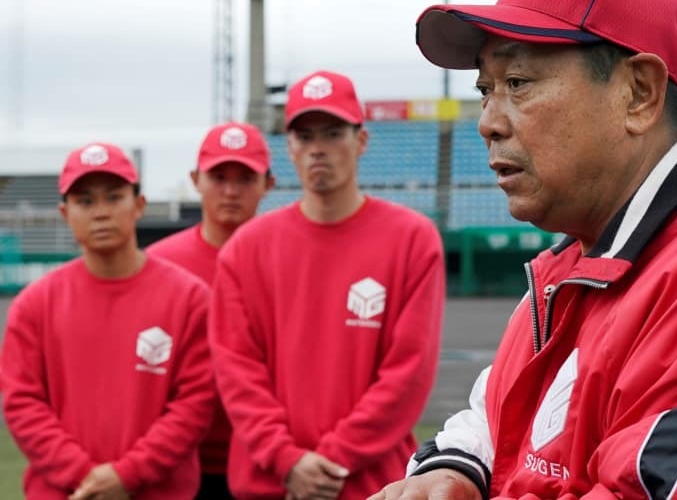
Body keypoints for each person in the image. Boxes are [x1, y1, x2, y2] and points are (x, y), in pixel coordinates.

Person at [371, 0, 677, 499]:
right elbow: (496, 413)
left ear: (639, 93)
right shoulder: (580, 258)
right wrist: (455, 471)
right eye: (486, 88)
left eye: (517, 83)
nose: (487, 120)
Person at [208, 70, 447, 499]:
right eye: (305, 135)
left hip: (371, 487)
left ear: (361, 141)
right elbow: (236, 371)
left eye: (333, 132)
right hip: (269, 484)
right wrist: (287, 459)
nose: (318, 147)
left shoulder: (411, 239)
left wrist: (332, 459)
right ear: (290, 148)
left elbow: (406, 375)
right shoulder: (246, 249)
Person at [0, 142, 215, 499]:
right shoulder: (34, 305)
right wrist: (85, 477)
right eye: (85, 201)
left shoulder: (189, 299)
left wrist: (128, 474)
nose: (100, 212)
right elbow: (22, 404)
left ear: (139, 206)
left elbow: (195, 405)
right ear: (65, 213)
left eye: (114, 197)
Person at [146, 121, 274, 500]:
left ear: (268, 184)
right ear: (195, 179)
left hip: (265, 461)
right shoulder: (158, 264)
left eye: (245, 178)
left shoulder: (286, 259)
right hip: (176, 461)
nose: (231, 191)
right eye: (218, 176)